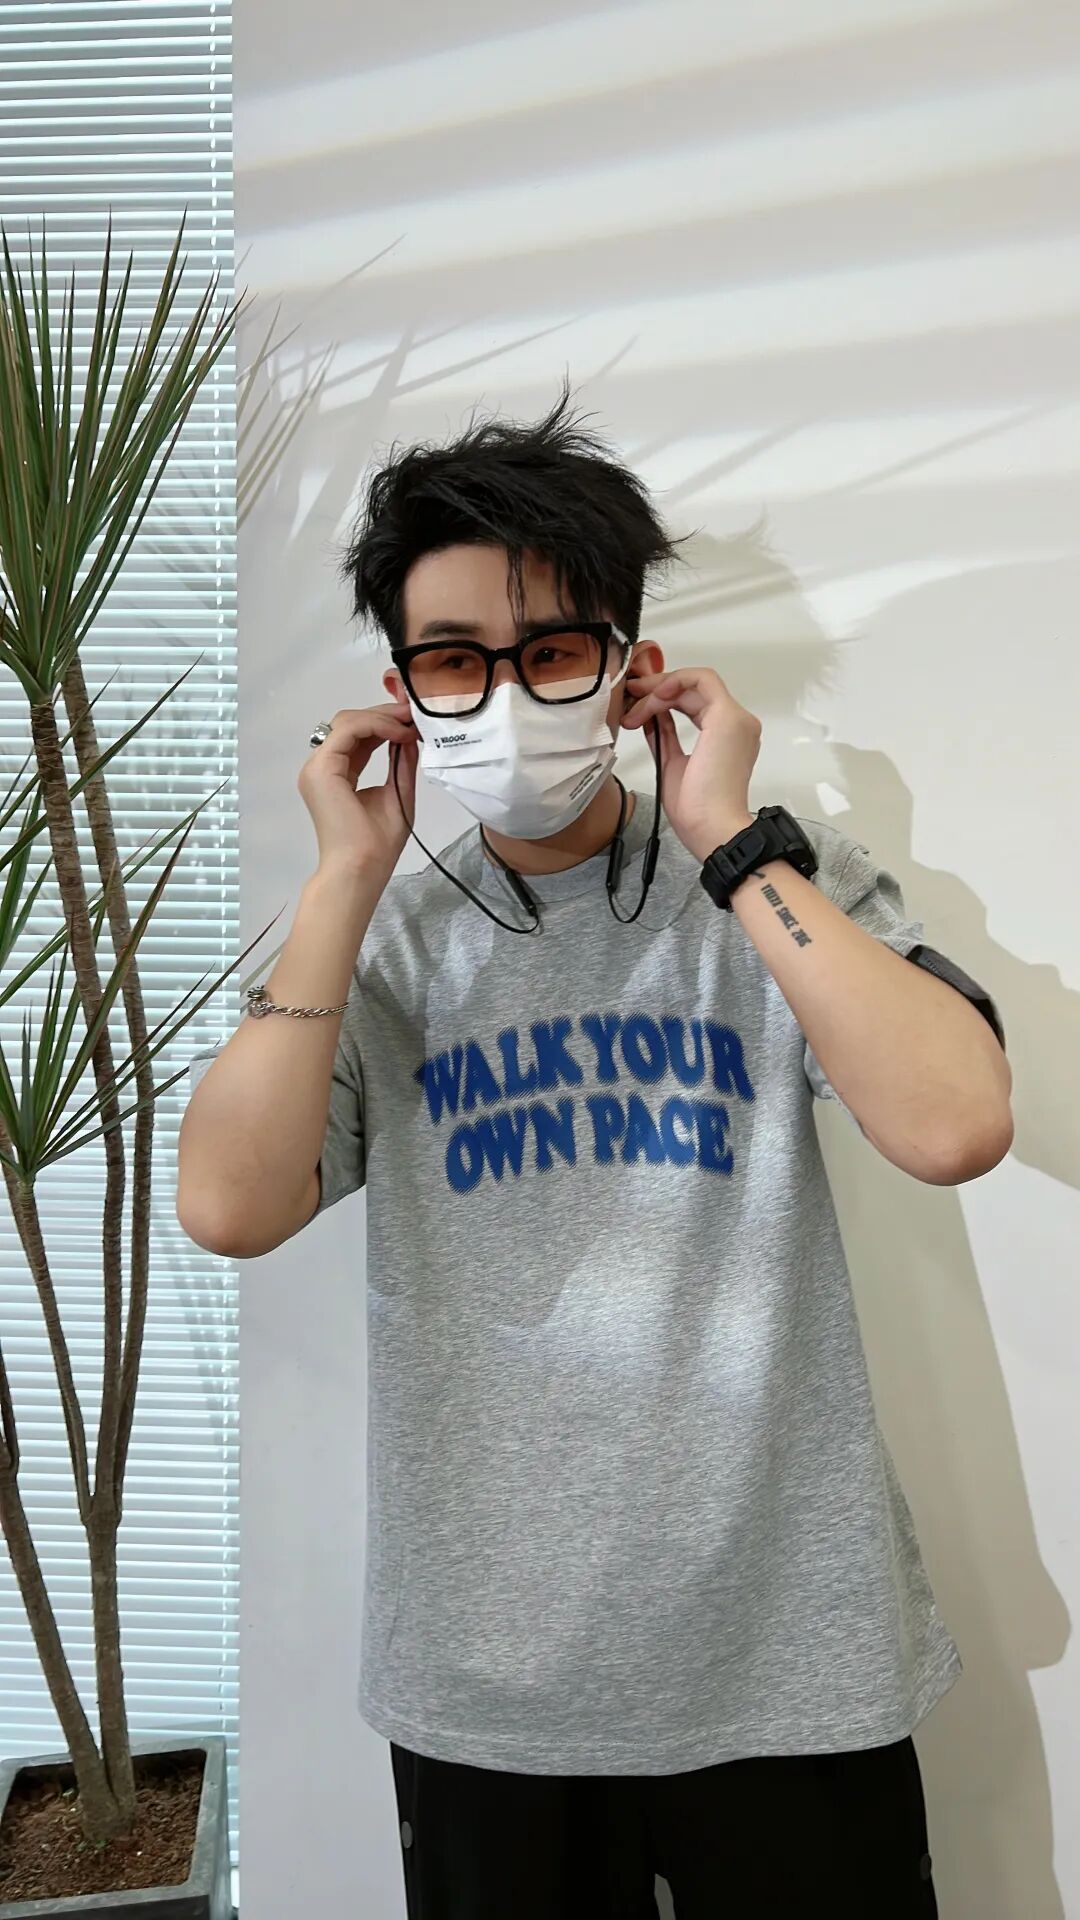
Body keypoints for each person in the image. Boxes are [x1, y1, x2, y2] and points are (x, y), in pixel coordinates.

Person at [177, 386, 1013, 1918]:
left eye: (551, 650)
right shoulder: (379, 949)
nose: (505, 696)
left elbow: (955, 1122)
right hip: (489, 1690)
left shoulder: (771, 883)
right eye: (456, 660)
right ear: (402, 691)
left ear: (630, 669)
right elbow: (228, 1206)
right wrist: (341, 881)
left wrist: (725, 835)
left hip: (790, 1657)